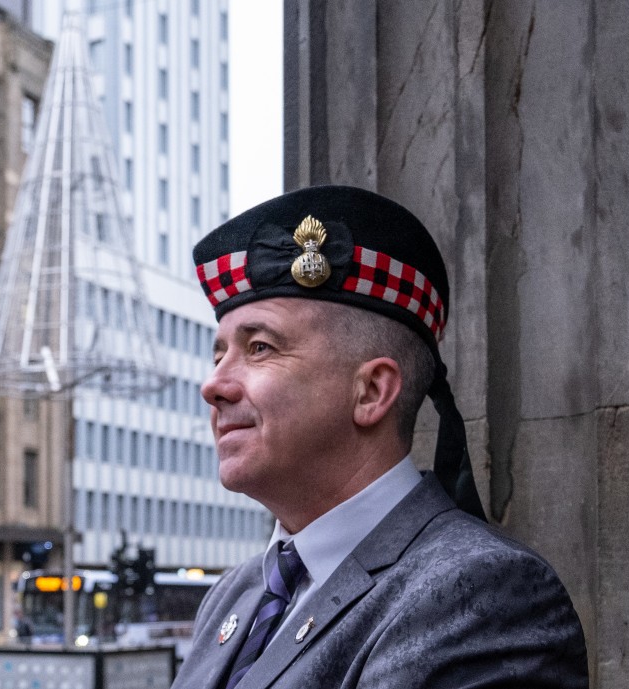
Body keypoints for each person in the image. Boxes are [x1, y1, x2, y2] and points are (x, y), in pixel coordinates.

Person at [171, 186, 588, 688]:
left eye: (259, 348)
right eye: (218, 355)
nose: (213, 384)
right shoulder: (233, 595)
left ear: (371, 391)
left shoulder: (482, 594)